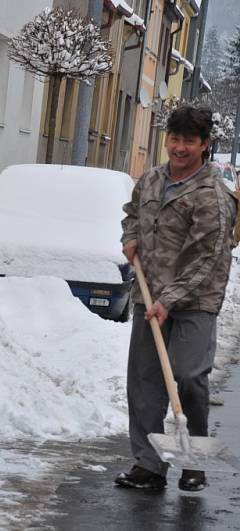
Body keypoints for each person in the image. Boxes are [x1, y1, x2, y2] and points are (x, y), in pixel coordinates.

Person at [116, 105, 237, 492]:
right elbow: (131, 214)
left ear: (204, 145)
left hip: (194, 301)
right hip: (148, 295)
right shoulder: (151, 179)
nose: (179, 147)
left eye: (189, 140)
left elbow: (208, 258)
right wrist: (129, 237)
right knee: (145, 382)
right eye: (174, 138)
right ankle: (148, 465)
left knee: (187, 378)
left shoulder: (212, 196)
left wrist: (169, 299)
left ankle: (193, 460)